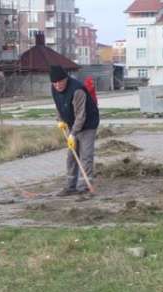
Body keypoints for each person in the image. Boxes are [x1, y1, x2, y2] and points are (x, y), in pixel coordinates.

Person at [50, 65, 100, 196]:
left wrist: (73, 134)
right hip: (72, 123)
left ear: (65, 79)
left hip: (88, 124)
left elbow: (81, 116)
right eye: (54, 83)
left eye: (60, 82)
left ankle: (84, 186)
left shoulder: (77, 90)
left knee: (86, 155)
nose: (57, 85)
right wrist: (60, 119)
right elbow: (58, 105)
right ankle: (70, 186)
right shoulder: (54, 88)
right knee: (71, 156)